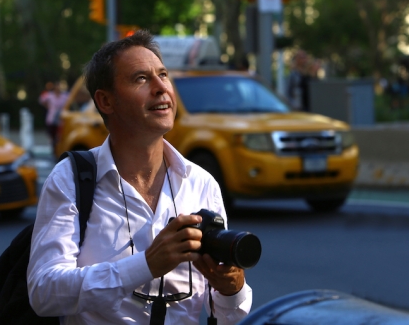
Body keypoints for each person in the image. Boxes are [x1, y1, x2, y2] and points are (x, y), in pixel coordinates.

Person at [27, 30, 252, 324]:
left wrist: (232, 289)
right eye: (141, 79)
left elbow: (226, 316)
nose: (161, 88)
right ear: (106, 101)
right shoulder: (71, 178)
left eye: (163, 75)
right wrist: (145, 264)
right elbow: (44, 292)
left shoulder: (201, 183)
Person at [39, 81, 68, 157]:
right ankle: (54, 150)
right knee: (52, 136)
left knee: (59, 136)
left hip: (60, 119)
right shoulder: (50, 95)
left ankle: (57, 150)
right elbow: (41, 99)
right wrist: (47, 106)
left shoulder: (64, 96)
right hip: (51, 118)